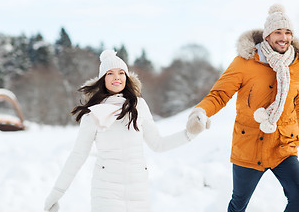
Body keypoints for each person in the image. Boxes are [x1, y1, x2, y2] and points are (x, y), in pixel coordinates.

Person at [186, 4, 299, 212]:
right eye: (278, 32)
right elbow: (220, 94)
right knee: (238, 204)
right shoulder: (244, 62)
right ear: (267, 36)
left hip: (283, 145)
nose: (284, 37)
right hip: (250, 145)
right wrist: (201, 111)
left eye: (288, 32)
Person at [44, 50, 196, 212]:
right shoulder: (93, 114)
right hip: (106, 193)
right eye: (110, 73)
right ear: (102, 80)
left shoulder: (139, 106)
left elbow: (158, 144)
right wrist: (55, 194)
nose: (117, 77)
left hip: (139, 192)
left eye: (121, 72)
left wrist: (190, 133)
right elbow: (77, 156)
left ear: (127, 78)